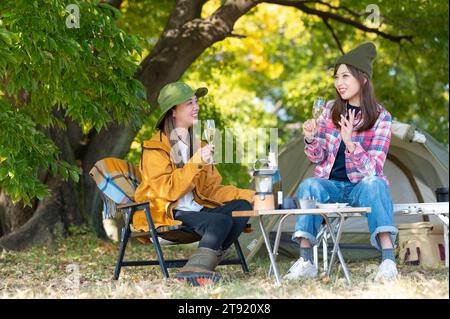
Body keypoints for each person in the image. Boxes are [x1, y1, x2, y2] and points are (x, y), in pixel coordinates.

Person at [284, 42, 398, 281]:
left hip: (361, 187)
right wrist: (311, 138)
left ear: (363, 79)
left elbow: (373, 170)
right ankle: (306, 261)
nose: (339, 82)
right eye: (337, 77)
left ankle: (388, 261)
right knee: (309, 185)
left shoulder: (381, 117)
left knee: (375, 184)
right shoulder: (329, 111)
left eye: (345, 76)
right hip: (331, 185)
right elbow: (319, 157)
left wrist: (351, 144)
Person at [134, 82, 254, 286]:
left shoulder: (198, 146)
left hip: (197, 210)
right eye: (189, 103)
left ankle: (198, 268)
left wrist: (250, 194)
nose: (196, 106)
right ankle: (196, 270)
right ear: (173, 111)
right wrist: (196, 161)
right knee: (220, 222)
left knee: (242, 207)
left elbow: (212, 190)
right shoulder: (154, 149)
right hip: (168, 211)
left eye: (196, 102)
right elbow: (167, 190)